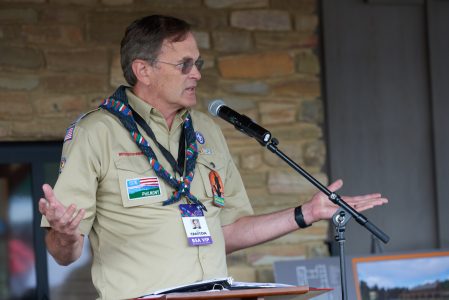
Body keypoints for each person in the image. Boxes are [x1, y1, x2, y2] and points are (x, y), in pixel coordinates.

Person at [39, 15, 388, 299]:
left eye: (198, 63)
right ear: (143, 70)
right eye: (184, 64)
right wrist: (66, 234)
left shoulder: (207, 130)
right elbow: (63, 253)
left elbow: (229, 231)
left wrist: (306, 214)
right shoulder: (96, 132)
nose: (197, 74)